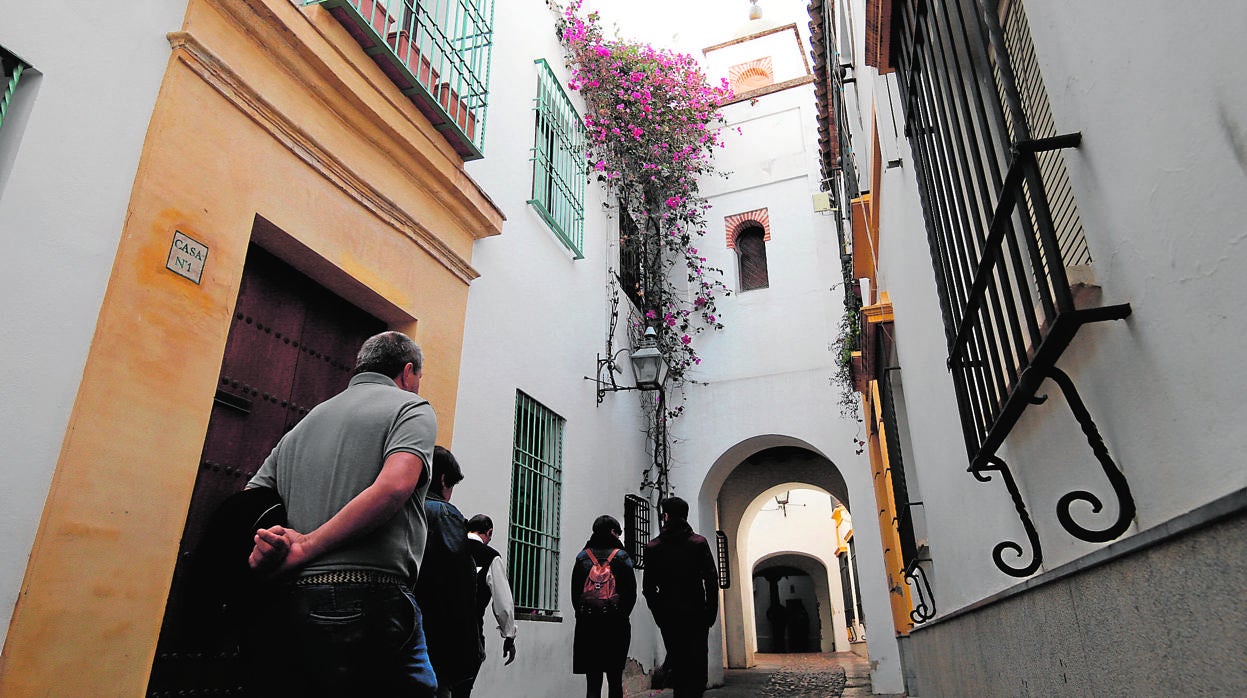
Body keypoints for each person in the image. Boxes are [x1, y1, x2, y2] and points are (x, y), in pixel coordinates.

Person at [244, 330, 438, 696]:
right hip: (372, 598)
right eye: (417, 379)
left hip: (293, 599)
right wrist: (307, 545)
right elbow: (395, 487)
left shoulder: (305, 423)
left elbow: (252, 497)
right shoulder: (411, 409)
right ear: (408, 372)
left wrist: (270, 544)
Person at [415, 446, 482, 698]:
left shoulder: (394, 504)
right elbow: (460, 588)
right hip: (433, 639)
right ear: (443, 479)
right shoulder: (444, 514)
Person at [643, 497, 719, 698]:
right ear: (685, 516)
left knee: (678, 664)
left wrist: (659, 614)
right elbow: (711, 580)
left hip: (669, 615)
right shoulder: (698, 543)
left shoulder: (653, 547)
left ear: (665, 516)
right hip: (696, 613)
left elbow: (649, 588)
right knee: (696, 666)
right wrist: (710, 613)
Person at [571, 515, 637, 698]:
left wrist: (584, 616)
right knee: (615, 679)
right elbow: (631, 594)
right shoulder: (622, 558)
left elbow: (575, 594)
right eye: (618, 533)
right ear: (613, 532)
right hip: (615, 625)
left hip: (588, 625)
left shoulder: (582, 557)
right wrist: (621, 615)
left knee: (592, 682)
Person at [465, 514, 518, 673]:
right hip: (471, 629)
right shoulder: (490, 556)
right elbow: (503, 601)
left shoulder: (450, 547)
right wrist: (509, 635)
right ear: (489, 532)